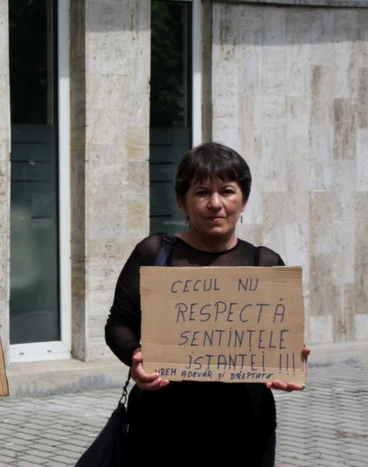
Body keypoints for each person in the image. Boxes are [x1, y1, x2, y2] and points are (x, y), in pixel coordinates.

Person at [104, 142, 310, 466]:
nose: (216, 204)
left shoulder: (265, 263)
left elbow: (280, 339)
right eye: (202, 192)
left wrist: (288, 361)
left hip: (245, 431)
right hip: (162, 430)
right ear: (181, 201)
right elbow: (119, 323)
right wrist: (135, 357)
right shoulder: (155, 253)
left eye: (227, 191)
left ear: (243, 200)